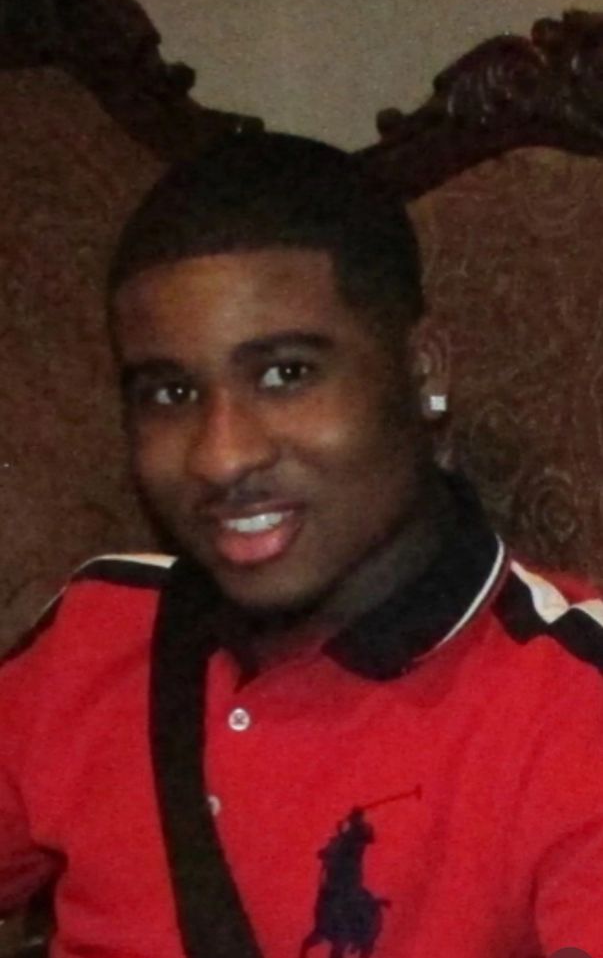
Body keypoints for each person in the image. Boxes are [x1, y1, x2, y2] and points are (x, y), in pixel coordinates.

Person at [0, 132, 602, 958]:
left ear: (423, 369)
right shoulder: (100, 629)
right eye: (171, 392)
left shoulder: (568, 702)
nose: (221, 456)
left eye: (285, 374)